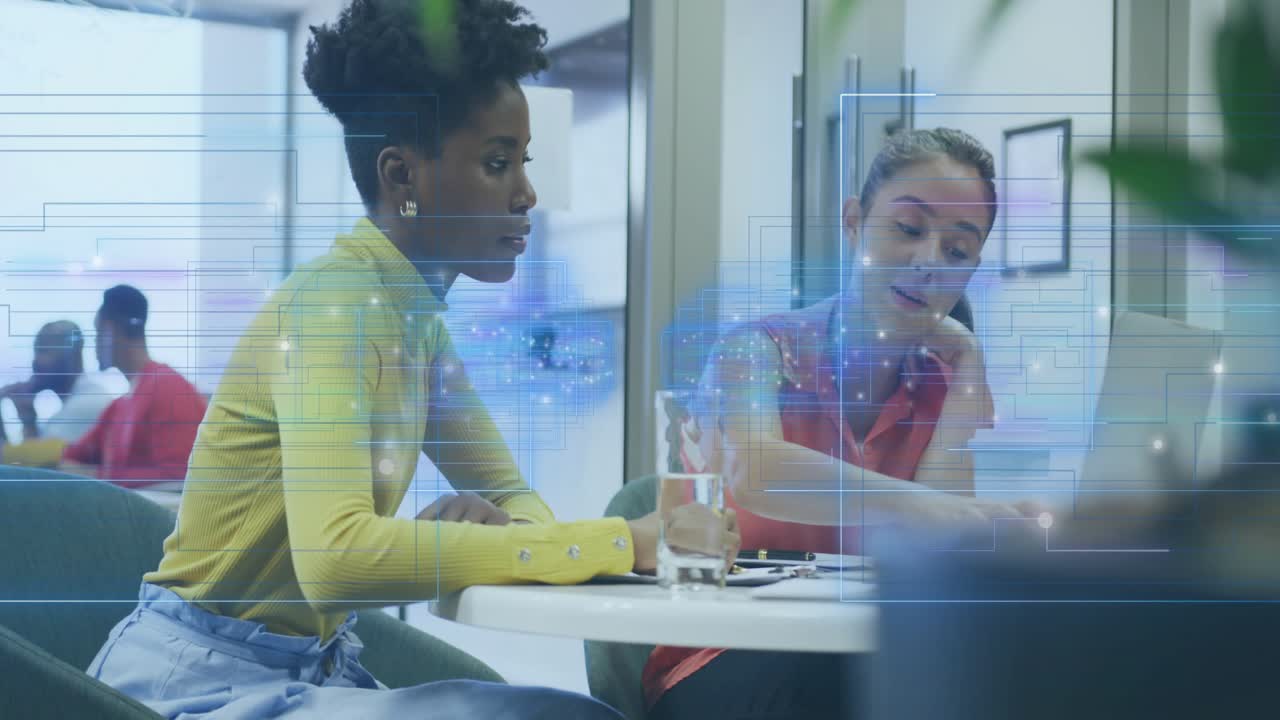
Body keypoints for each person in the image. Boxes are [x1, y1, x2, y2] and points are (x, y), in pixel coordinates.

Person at [85, 2, 736, 718]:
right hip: (194, 684)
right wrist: (621, 540)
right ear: (403, 176)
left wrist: (505, 529)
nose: (526, 194)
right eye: (496, 163)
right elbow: (337, 562)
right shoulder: (331, 312)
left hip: (311, 672)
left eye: (522, 161)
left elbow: (517, 498)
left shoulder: (413, 324)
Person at [643, 128, 1041, 720]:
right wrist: (940, 510)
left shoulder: (943, 385)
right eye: (908, 229)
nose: (929, 260)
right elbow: (758, 470)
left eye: (957, 252)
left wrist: (967, 369)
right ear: (854, 224)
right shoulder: (755, 349)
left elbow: (933, 548)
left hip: (862, 656)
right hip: (725, 656)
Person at [0, 286, 207, 487]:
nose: (95, 346)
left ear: (110, 330)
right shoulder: (120, 406)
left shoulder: (168, 387)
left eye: (98, 333)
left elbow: (181, 475)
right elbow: (66, 455)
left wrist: (98, 476)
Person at [0, 320, 121, 448]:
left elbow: (38, 461)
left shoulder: (86, 403)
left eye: (44, 351)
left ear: (71, 358)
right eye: (36, 351)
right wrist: (28, 419)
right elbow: (34, 459)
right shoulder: (76, 400)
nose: (35, 361)